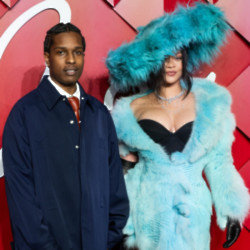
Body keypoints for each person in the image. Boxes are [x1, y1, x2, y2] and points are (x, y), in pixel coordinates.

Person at [106, 2, 250, 250]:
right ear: (153, 62)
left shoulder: (210, 102)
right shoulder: (130, 110)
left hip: (192, 216)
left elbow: (219, 162)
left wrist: (232, 208)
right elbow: (125, 173)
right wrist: (122, 226)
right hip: (148, 218)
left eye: (178, 57)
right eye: (165, 57)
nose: (172, 64)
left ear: (185, 59)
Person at [3, 23, 129, 250]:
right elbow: (22, 200)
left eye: (77, 52)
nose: (71, 60)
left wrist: (108, 239)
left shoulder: (99, 114)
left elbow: (116, 189)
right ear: (47, 57)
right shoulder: (24, 115)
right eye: (61, 52)